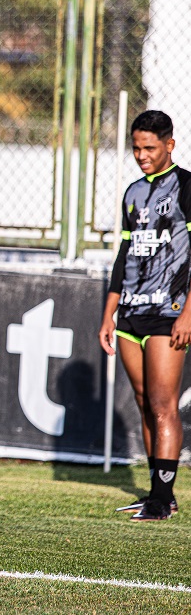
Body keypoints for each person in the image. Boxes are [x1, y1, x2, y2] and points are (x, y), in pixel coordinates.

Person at [99, 110, 189, 521]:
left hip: (168, 311)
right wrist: (108, 314)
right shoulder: (133, 192)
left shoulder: (187, 186)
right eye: (136, 148)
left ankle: (161, 498)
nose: (141, 155)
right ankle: (159, 493)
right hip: (132, 312)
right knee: (142, 402)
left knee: (162, 404)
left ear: (170, 144)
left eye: (149, 148)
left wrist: (188, 313)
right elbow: (124, 255)